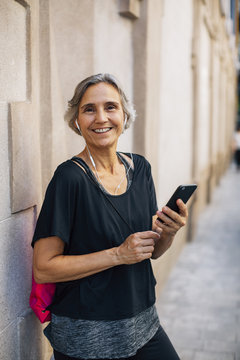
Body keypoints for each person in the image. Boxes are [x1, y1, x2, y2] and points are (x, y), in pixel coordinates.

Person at [32, 73, 188, 360]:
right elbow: (44, 268)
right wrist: (118, 254)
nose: (101, 117)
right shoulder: (69, 178)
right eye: (89, 109)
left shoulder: (140, 169)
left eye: (111, 107)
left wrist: (168, 232)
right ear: (76, 120)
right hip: (87, 336)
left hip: (144, 324)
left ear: (125, 115)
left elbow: (150, 252)